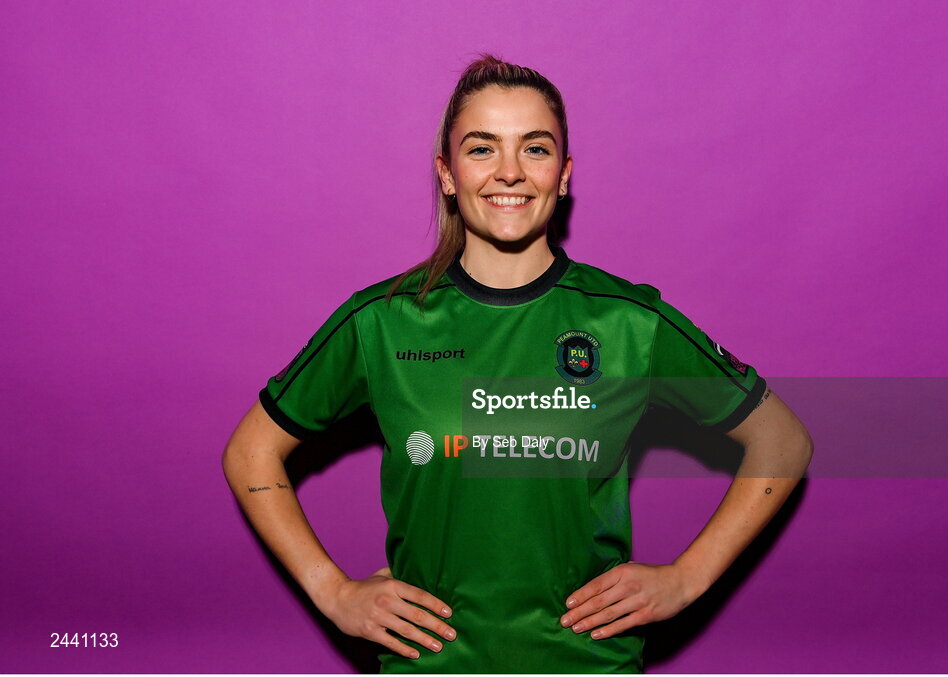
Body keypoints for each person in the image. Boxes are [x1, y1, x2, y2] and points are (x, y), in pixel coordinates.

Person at [222, 55, 813, 674]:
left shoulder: (629, 322)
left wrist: (687, 579)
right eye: (482, 150)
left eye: (535, 149)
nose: (509, 172)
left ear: (563, 176)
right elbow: (250, 453)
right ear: (447, 175)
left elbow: (783, 443)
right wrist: (333, 591)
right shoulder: (382, 321)